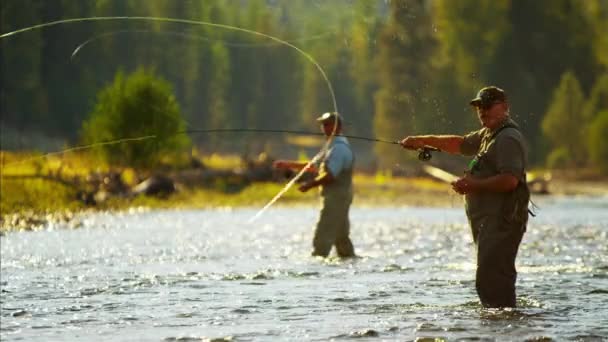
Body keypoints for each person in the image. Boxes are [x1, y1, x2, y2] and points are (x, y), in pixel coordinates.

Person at [400, 86, 530, 308]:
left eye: (488, 105)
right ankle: (502, 324)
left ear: (505, 107)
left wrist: (473, 185)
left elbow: (510, 180)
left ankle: (504, 327)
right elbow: (459, 144)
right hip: (490, 221)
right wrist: (421, 140)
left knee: (491, 278)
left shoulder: (508, 138)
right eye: (479, 106)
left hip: (503, 220)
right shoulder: (488, 134)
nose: (483, 110)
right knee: (490, 278)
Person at [273, 112, 356, 258]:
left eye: (327, 124)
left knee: (323, 235)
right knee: (341, 237)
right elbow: (313, 165)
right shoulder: (332, 146)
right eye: (322, 125)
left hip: (335, 199)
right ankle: (350, 263)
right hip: (340, 198)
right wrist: (288, 164)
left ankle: (317, 266)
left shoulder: (339, 149)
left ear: (337, 126)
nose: (323, 128)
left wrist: (309, 185)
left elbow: (330, 175)